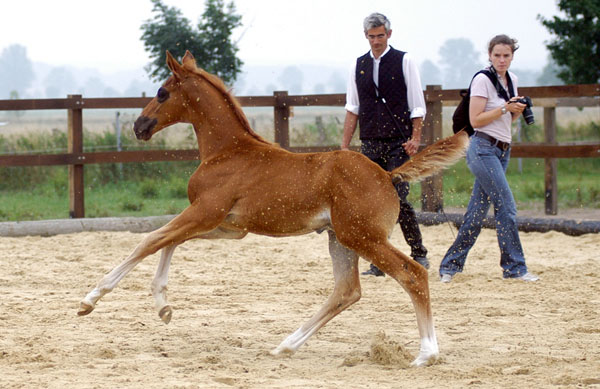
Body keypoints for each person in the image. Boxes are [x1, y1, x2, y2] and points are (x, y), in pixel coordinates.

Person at [438, 34, 539, 283]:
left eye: (506, 55)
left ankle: (450, 266)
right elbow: (476, 120)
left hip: (503, 149)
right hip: (482, 148)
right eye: (497, 55)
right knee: (507, 206)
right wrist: (505, 107)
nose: (502, 60)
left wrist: (515, 110)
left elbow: (507, 120)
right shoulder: (483, 79)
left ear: (513, 56)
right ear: (489, 56)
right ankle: (514, 268)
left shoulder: (511, 80)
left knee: (476, 212)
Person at [341, 12, 429, 276]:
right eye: (372, 36)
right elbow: (352, 107)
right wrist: (345, 146)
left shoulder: (404, 60)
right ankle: (379, 258)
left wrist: (415, 138)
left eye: (380, 35)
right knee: (370, 202)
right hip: (370, 142)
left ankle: (418, 253)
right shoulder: (358, 65)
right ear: (365, 36)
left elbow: (416, 104)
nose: (376, 41)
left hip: (398, 142)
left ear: (389, 34)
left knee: (398, 198)